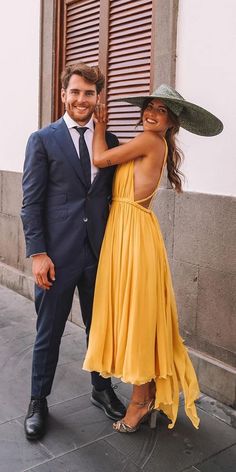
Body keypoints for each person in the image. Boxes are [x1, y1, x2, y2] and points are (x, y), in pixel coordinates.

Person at [83, 84, 223, 433]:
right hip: (127, 230)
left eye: (161, 110)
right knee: (135, 315)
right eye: (150, 106)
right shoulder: (150, 142)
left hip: (132, 234)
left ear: (171, 121)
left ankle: (140, 401)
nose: (152, 113)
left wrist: (99, 127)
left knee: (138, 319)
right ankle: (146, 394)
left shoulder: (149, 141)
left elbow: (99, 159)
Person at [21, 62, 126, 440]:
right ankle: (38, 400)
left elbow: (113, 198)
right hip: (56, 258)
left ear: (98, 99)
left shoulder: (109, 141)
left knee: (100, 328)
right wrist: (38, 254)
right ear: (63, 94)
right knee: (48, 330)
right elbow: (31, 202)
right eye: (76, 92)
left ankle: (101, 388)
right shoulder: (43, 139)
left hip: (99, 255)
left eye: (89, 93)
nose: (82, 99)